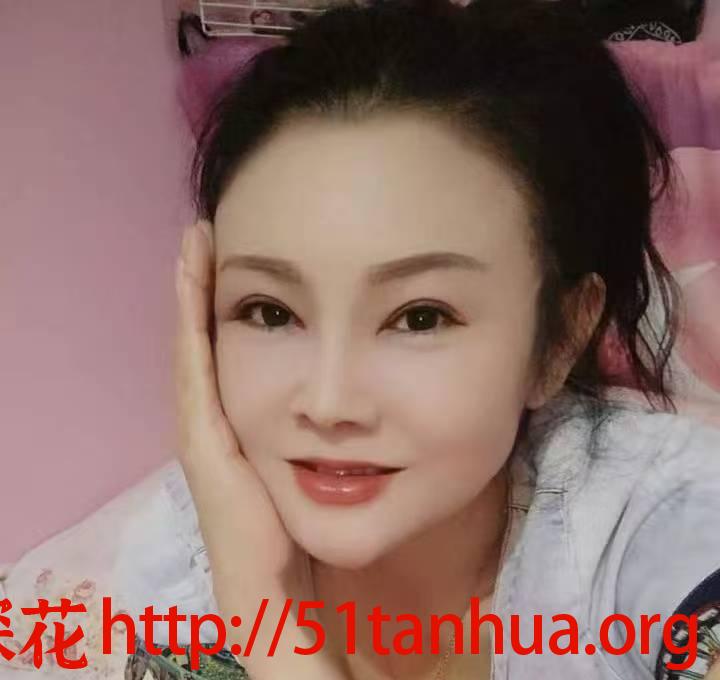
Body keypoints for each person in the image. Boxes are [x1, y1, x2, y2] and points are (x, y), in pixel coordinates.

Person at [2, 1, 720, 679]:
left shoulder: (660, 526)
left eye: (420, 317)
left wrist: (267, 623)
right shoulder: (176, 564)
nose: (328, 402)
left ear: (560, 338)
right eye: (269, 311)